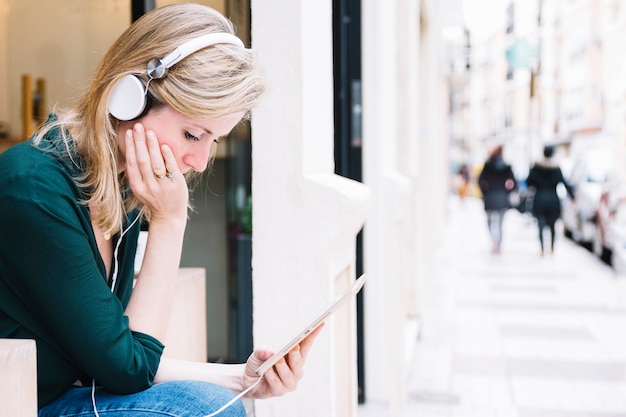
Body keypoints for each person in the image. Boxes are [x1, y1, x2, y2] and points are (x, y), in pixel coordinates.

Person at [0, 4, 321, 417]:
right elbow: (126, 370)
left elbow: (121, 353)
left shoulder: (120, 186)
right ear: (128, 98)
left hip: (63, 392)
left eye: (214, 140)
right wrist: (171, 222)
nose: (201, 161)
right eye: (192, 134)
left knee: (224, 402)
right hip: (23, 404)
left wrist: (243, 377)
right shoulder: (33, 189)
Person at [526, 145, 575, 256]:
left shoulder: (536, 167)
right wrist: (572, 197)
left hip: (539, 199)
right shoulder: (556, 168)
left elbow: (529, 182)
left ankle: (543, 249)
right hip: (553, 200)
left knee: (541, 225)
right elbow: (564, 183)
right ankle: (552, 248)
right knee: (552, 226)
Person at [478, 145, 517, 254]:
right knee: (500, 224)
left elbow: (480, 181)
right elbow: (513, 183)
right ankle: (498, 245)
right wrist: (506, 192)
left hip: (490, 197)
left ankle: (494, 241)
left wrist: (485, 192)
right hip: (502, 198)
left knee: (490, 222)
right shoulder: (507, 167)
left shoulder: (487, 166)